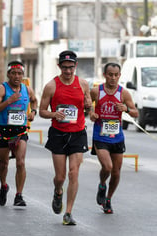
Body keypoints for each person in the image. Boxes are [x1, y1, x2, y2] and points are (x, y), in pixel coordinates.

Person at [39, 50, 92, 225]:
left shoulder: (83, 84)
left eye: (71, 67)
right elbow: (42, 111)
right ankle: (58, 191)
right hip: (58, 134)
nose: (68, 71)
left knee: (73, 173)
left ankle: (68, 212)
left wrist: (88, 105)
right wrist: (54, 114)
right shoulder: (51, 86)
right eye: (64, 68)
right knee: (60, 176)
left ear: (75, 66)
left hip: (78, 133)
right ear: (59, 66)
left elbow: (88, 105)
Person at [89, 63, 138, 214]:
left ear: (119, 76)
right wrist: (91, 112)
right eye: (110, 74)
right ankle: (102, 183)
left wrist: (127, 109)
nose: (113, 78)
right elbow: (87, 104)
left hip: (117, 137)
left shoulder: (124, 93)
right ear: (105, 75)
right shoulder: (96, 91)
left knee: (116, 172)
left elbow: (136, 113)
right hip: (100, 135)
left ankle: (108, 199)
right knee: (107, 167)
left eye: (116, 75)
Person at [0, 61, 38, 207]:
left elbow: (34, 101)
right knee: (4, 163)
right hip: (4, 130)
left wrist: (33, 112)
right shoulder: (1, 89)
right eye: (13, 73)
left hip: (21, 131)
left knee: (20, 162)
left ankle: (19, 195)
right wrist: (9, 101)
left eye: (19, 73)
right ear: (8, 74)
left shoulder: (27, 89)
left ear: (23, 75)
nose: (16, 76)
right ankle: (4, 186)